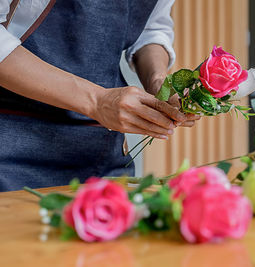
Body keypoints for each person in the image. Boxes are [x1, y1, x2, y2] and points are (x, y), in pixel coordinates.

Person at [0, 0, 199, 192]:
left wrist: (159, 83)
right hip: (11, 150)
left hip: (102, 155)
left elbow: (151, 29)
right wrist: (98, 101)